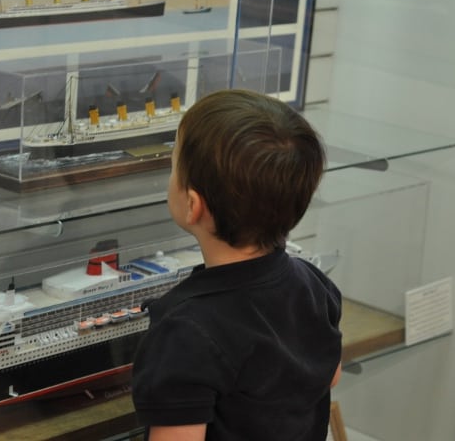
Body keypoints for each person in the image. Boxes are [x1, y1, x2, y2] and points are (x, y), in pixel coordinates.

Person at [131, 89, 342, 441]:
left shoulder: (185, 331)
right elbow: (330, 374)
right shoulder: (313, 284)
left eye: (173, 164)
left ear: (193, 205)